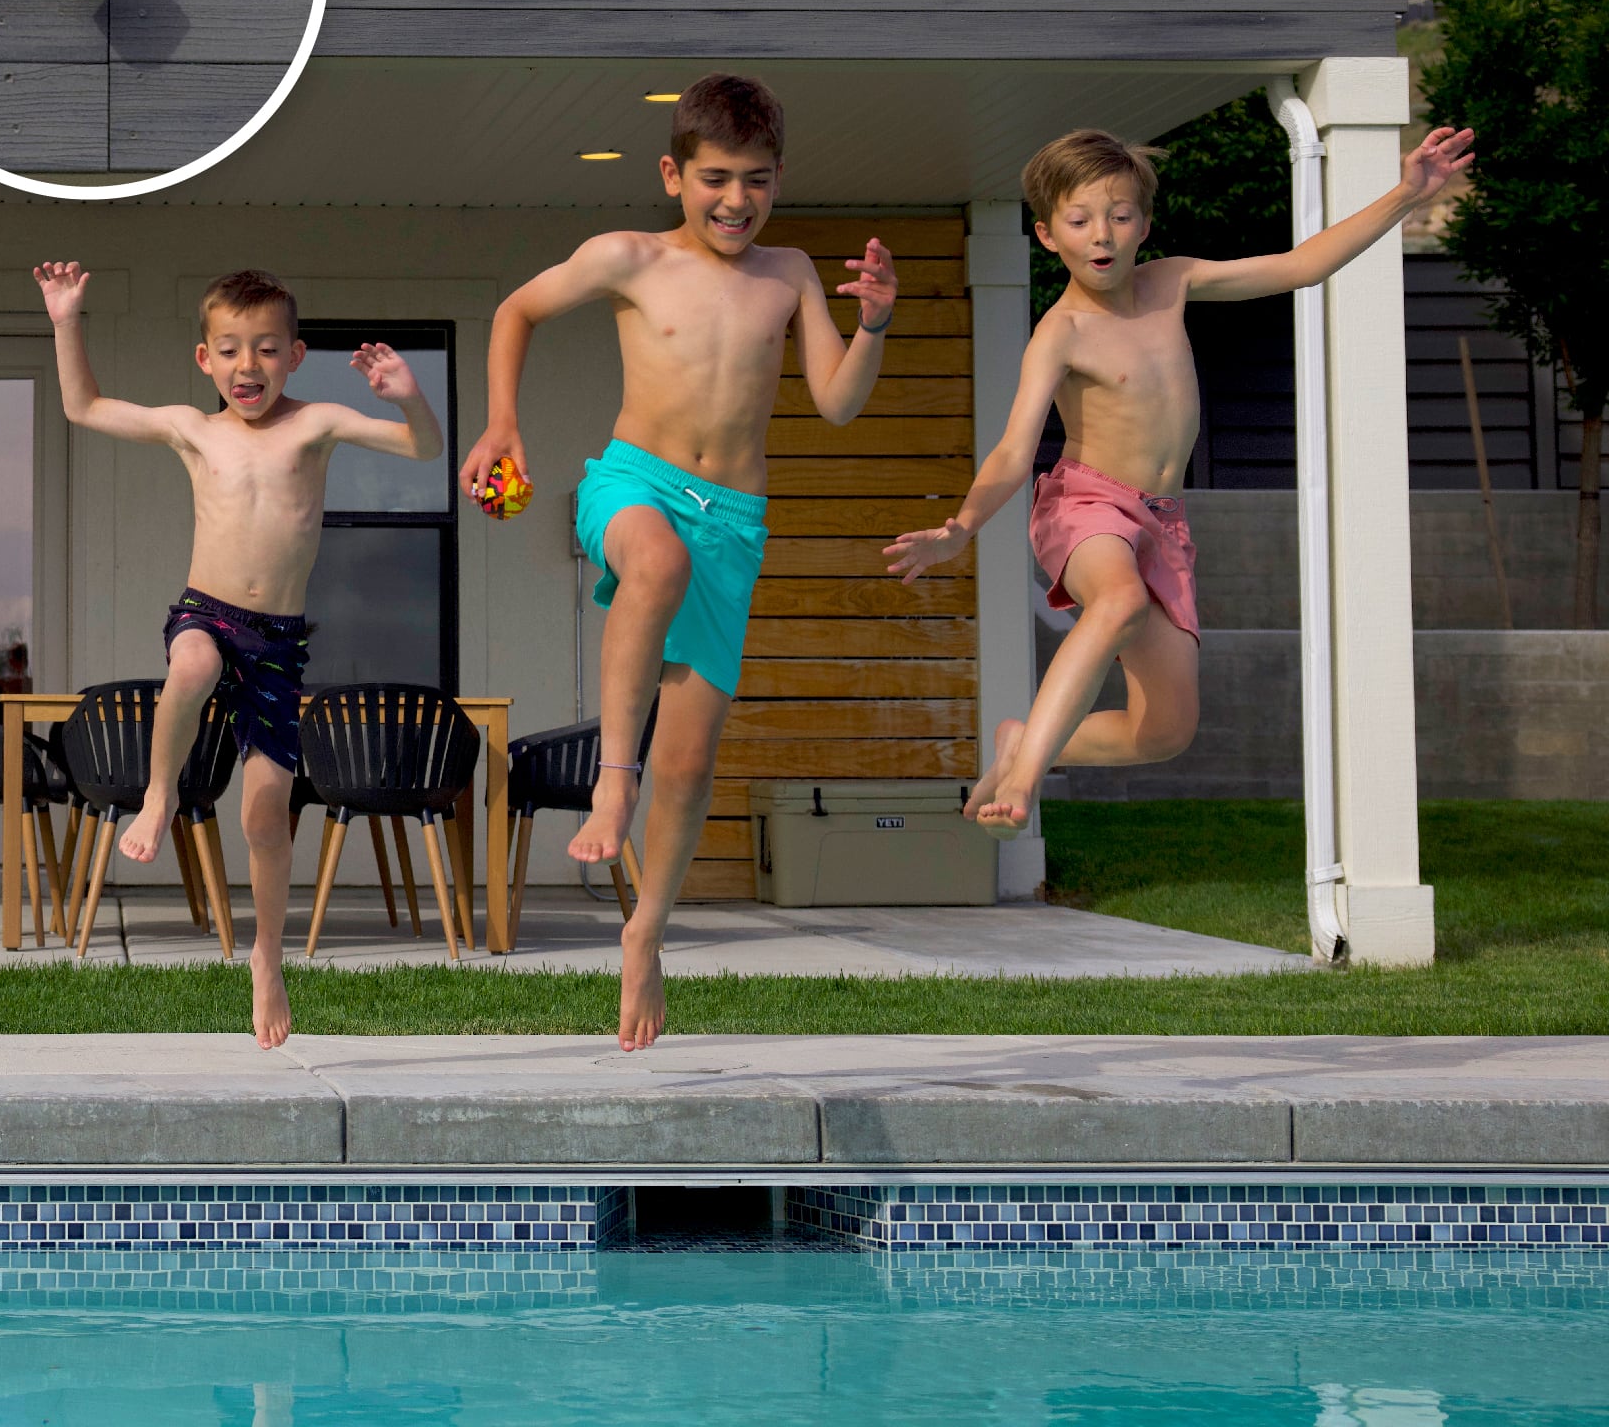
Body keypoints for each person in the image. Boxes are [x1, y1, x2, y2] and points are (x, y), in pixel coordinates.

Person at [460, 74, 898, 1050]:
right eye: (712, 179)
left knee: (692, 760)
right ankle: (611, 776)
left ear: (778, 178)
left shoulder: (786, 273)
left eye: (753, 180)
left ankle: (645, 929)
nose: (733, 200)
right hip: (633, 484)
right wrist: (502, 421)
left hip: (732, 521)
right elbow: (515, 310)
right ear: (671, 173)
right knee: (650, 563)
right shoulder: (627, 257)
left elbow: (835, 401)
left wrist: (869, 325)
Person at [884, 122, 1475, 837]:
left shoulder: (1174, 282)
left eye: (1119, 216)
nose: (1101, 235)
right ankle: (1028, 777)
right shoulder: (1062, 331)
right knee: (1120, 600)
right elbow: (1014, 450)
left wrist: (1407, 194)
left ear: (1145, 225)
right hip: (1087, 503)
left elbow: (1301, 266)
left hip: (1162, 521)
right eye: (1079, 221)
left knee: (1164, 730)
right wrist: (961, 528)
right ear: (1048, 236)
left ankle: (1024, 739)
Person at [34, 262, 444, 1048]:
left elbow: (422, 450)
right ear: (204, 359)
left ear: (294, 356)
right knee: (188, 668)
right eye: (229, 350)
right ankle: (159, 794)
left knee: (263, 817)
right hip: (206, 613)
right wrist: (65, 320)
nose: (245, 367)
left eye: (264, 350)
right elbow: (82, 406)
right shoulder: (193, 428)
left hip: (279, 642)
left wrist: (406, 395)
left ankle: (266, 956)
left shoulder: (317, 421)